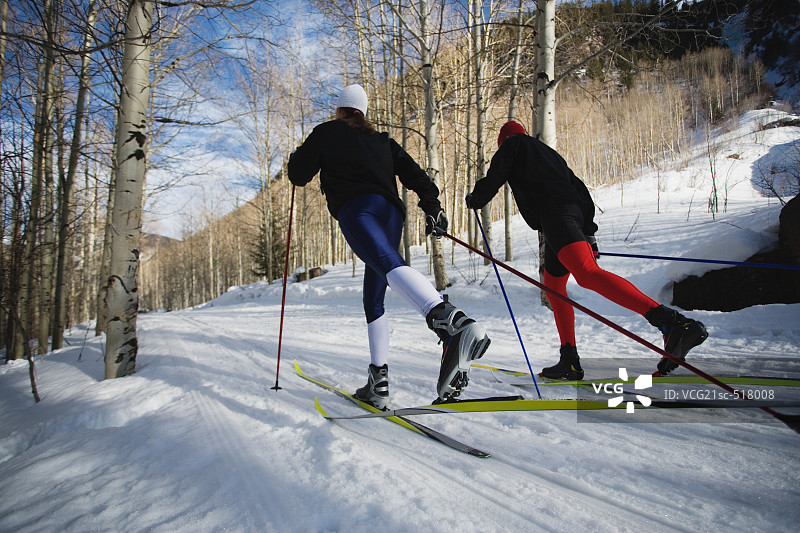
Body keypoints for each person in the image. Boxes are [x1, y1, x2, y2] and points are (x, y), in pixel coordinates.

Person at [288, 84, 491, 407]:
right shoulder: (381, 141)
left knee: (386, 263)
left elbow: (299, 176)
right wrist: (432, 206)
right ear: (363, 112)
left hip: (358, 209)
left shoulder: (327, 132)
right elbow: (416, 175)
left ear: (340, 110)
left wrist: (296, 158)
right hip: (390, 214)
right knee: (374, 297)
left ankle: (451, 323)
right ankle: (377, 382)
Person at [465, 120, 707, 379]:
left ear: (504, 140)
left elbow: (496, 175)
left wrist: (477, 198)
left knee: (586, 272)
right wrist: (589, 234)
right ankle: (569, 360)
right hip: (568, 216)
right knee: (554, 286)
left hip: (556, 215)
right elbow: (580, 190)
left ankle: (672, 323)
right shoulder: (550, 154)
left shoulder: (514, 144)